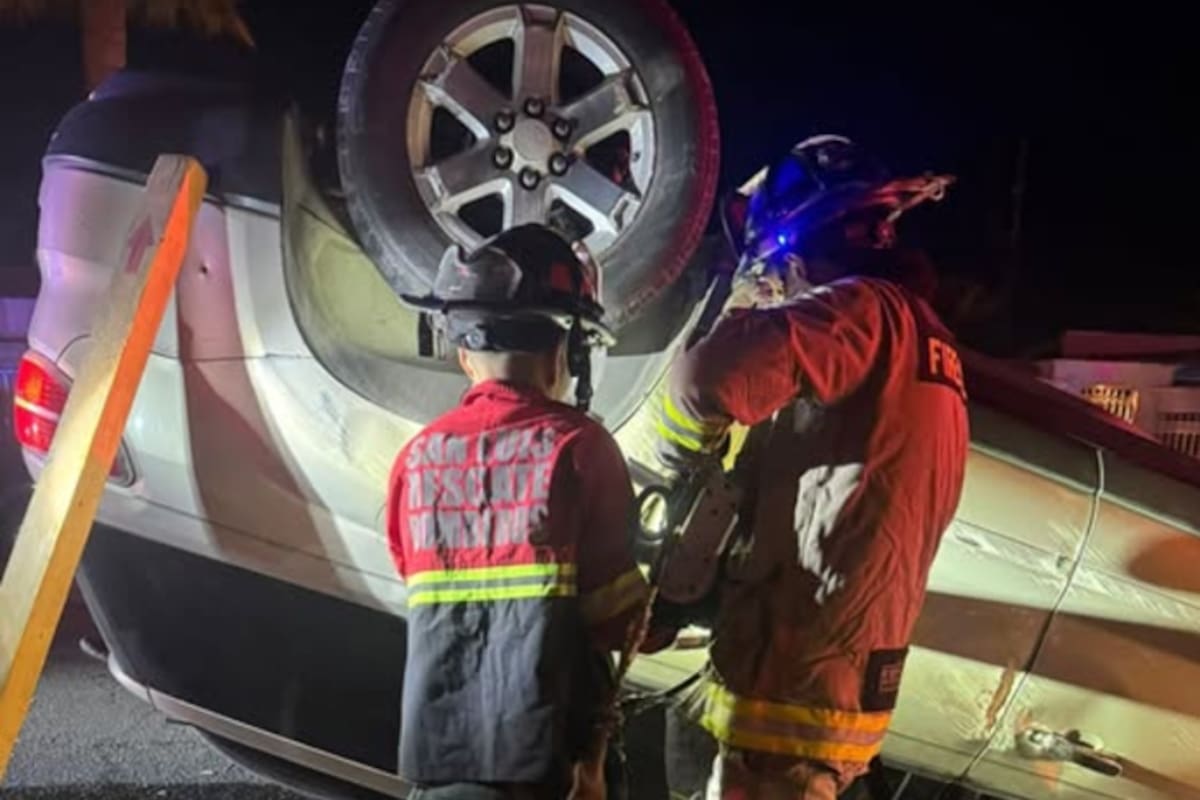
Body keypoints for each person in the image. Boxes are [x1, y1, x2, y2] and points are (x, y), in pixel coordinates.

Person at [653, 135, 970, 799]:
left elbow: (703, 380)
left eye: (778, 269)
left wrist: (679, 463)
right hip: (835, 690)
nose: (780, 286)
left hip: (790, 685)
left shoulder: (860, 313)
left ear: (796, 249)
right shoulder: (922, 338)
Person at [387, 224, 660, 799]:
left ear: (463, 353)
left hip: (438, 771)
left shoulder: (417, 461)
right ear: (566, 352)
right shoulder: (579, 448)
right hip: (549, 772)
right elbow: (617, 617)